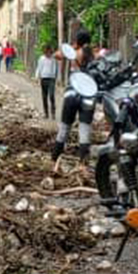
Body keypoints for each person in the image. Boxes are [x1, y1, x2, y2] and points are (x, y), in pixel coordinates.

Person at [52, 29, 96, 172]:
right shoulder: (94, 55)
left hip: (72, 93)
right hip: (88, 96)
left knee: (65, 127)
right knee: (85, 129)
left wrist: (71, 47)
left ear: (77, 41)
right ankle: (83, 162)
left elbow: (56, 55)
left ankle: (55, 158)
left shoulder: (74, 53)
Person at [35, 43, 58, 119]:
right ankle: (46, 113)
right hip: (44, 78)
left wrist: (55, 78)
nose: (48, 53)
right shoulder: (41, 59)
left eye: (49, 52)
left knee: (51, 95)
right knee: (44, 97)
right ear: (45, 52)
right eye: (46, 52)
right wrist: (37, 77)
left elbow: (55, 68)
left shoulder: (53, 59)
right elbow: (39, 67)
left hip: (51, 79)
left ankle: (53, 112)